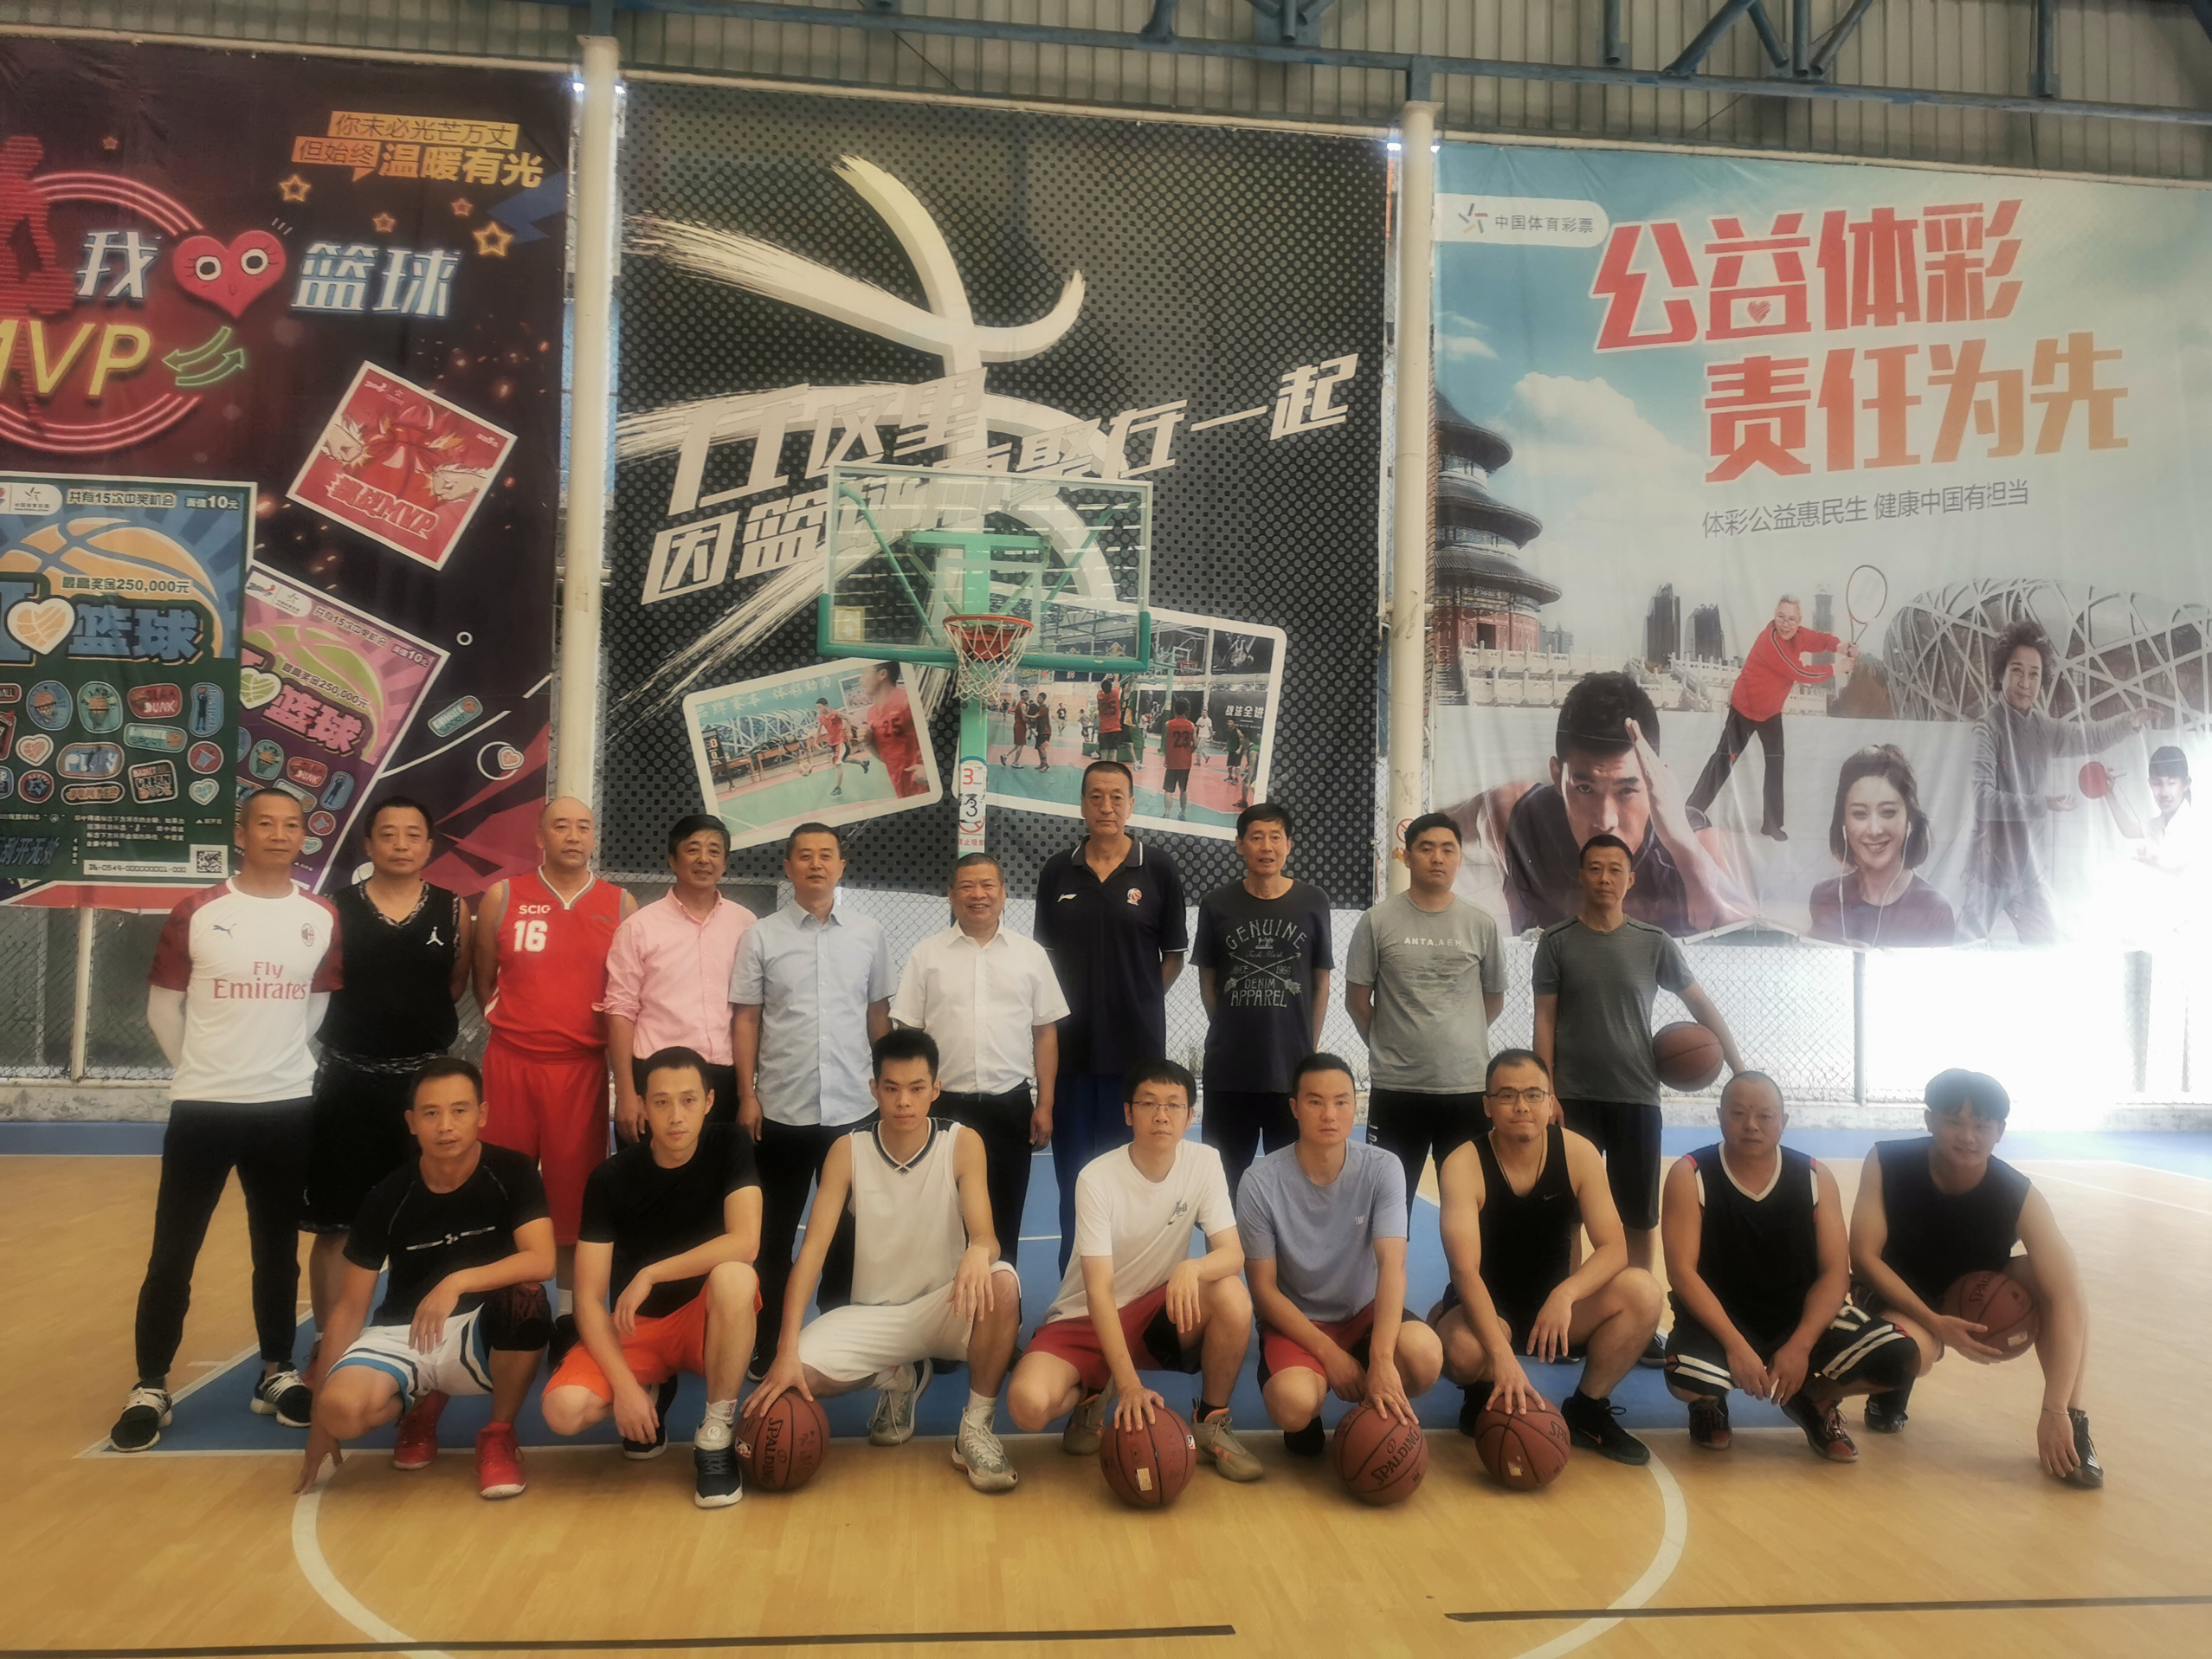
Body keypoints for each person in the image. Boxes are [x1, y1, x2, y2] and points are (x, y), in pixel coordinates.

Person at [113, 788, 344, 1453]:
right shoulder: (198, 911)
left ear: (304, 836)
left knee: (276, 1252)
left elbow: (315, 1005)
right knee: (173, 1251)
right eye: (265, 823)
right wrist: (202, 1071)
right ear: (241, 833)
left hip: (285, 1108)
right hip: (203, 1108)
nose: (279, 834)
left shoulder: (321, 915)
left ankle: (276, 1371)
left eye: (291, 824)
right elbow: (163, 1007)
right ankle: (150, 1384)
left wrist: (278, 1063)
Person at [748, 1030, 1022, 1493]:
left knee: (1003, 1283)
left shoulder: (962, 1143)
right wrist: (785, 1348)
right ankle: (897, 1378)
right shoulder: (847, 1151)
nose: (904, 1102)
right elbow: (811, 1254)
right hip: (874, 1315)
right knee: (796, 1378)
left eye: (917, 1088)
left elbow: (986, 1236)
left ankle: (975, 1428)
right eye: (892, 1088)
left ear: (936, 1089)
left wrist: (979, 1250)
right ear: (874, 1088)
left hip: (946, 1306)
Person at [293, 1057, 554, 1501]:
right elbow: (351, 1307)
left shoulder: (513, 1171)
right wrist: (320, 1424)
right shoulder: (386, 1196)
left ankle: (498, 1434)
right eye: (431, 1113)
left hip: (478, 1333)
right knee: (342, 1413)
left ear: (482, 1115)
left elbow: (542, 1259)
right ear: (412, 1122)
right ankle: (418, 1403)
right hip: (406, 1331)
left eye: (459, 1110)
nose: (445, 1125)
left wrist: (456, 1282)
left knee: (527, 1300)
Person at [1535, 832, 1743, 1354]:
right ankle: (1569, 1318)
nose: (1604, 878)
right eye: (1594, 868)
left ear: (1630, 879)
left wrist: (1740, 1071)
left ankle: (1639, 1320)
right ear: (1581, 876)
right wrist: (1545, 1090)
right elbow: (1545, 1020)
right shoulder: (1556, 941)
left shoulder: (1654, 943)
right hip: (1573, 1098)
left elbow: (1701, 1007)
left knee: (1638, 1215)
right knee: (1569, 1214)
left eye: (1615, 869)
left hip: (1636, 1098)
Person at [1006, 1061, 1263, 1482]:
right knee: (1027, 1407)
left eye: (1173, 1105)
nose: (1161, 1115)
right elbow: (1099, 1291)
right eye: (1148, 1104)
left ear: (1189, 1116)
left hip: (1156, 1312)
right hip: (1087, 1317)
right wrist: (1129, 1386)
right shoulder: (1097, 1178)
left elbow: (1233, 1254)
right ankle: (1094, 1390)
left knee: (1231, 1294)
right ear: (1128, 1113)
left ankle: (1212, 1421)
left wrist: (1193, 1267)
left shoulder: (1204, 1162)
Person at [1848, 1068, 2102, 1488]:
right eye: (1954, 1122)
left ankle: (2072, 1423)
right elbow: (1863, 1257)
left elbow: (2067, 1299)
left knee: (2058, 1279)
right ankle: (1887, 1388)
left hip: (1972, 1292)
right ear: (1930, 1120)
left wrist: (2055, 1407)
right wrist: (1935, 1323)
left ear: (1999, 1131)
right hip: (1898, 1293)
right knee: (1909, 1351)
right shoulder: (1887, 1162)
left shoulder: (2017, 1194)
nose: (1967, 1136)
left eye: (1981, 1126)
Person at [540, 1047, 762, 1507]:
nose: (676, 1116)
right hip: (636, 1327)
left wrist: (651, 1273)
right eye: (661, 1102)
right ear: (641, 1105)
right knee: (562, 1411)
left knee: (736, 1278)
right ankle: (648, 1387)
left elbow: (746, 1242)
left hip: (705, 1320)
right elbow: (587, 1298)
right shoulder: (610, 1178)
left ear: (709, 1101)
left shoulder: (729, 1144)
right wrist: (623, 1388)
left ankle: (716, 1433)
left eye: (688, 1100)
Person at [1660, 1072, 1919, 1461]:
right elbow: (1682, 1272)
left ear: (1784, 1120)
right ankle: (1708, 1404)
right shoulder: (1690, 1174)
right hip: (1720, 1319)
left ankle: (1815, 1399)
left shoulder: (1815, 1177)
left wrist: (1800, 1346)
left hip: (1799, 1316)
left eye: (1764, 1116)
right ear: (1719, 1116)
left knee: (1901, 1357)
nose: (1751, 1125)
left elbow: (1835, 1273)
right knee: (1688, 1376)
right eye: (1738, 1113)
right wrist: (1736, 1345)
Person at [1431, 1050, 1662, 1462]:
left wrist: (1566, 1294)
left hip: (1556, 1311)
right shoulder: (1463, 1164)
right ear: (1487, 1106)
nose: (1521, 1105)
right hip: (1487, 1308)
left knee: (1643, 1291)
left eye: (1534, 1094)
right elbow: (1464, 1271)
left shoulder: (1579, 1153)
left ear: (1551, 1101)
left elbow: (1614, 1248)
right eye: (1506, 1095)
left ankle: (1588, 1408)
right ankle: (1482, 1391)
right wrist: (1502, 1358)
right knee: (1464, 1352)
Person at [302, 797, 469, 1351]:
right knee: (338, 1225)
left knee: (429, 1216)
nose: (401, 844)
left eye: (413, 834)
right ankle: (329, 1344)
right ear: (369, 844)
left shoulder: (452, 910)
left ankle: (416, 1344)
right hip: (347, 1083)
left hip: (424, 1086)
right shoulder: (333, 909)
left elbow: (454, 984)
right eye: (389, 834)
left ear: (429, 846)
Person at [731, 821, 893, 1373]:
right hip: (781, 1110)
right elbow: (747, 1020)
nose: (816, 864)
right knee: (773, 1233)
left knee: (850, 1231)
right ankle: (769, 1337)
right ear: (788, 866)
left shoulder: (869, 934)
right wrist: (747, 1095)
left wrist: (885, 1090)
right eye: (805, 855)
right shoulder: (761, 936)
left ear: (842, 866)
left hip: (853, 1110)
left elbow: (878, 1015)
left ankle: (840, 1336)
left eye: (827, 855)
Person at [471, 796, 633, 1334]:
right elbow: (483, 979)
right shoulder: (504, 895)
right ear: (540, 837)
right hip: (511, 1063)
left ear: (593, 837)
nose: (573, 835)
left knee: (574, 1198)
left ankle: (567, 1316)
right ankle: (498, 1311)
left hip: (580, 1070)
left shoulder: (621, 903)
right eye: (561, 826)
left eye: (583, 827)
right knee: (500, 1188)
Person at [1240, 1053, 1443, 1454]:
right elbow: (1263, 1291)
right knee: (1293, 1405)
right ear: (1295, 1108)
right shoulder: (1259, 1182)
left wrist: (1381, 1360)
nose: (1329, 1114)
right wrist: (1329, 1354)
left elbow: (1392, 1266)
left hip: (1363, 1312)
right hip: (1298, 1320)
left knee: (1424, 1357)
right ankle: (1311, 1409)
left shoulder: (1383, 1168)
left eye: (1341, 1101)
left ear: (1355, 1106)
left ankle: (1371, 1412)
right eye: (1315, 1101)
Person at [1448, 669, 1751, 937]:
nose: (1605, 820)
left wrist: (1684, 846)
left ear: (1656, 782)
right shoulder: (1518, 819)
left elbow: (1741, 942)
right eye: (1585, 788)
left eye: (1626, 791)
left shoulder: (1696, 846)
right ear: (1557, 776)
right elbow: (1438, 824)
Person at [1033, 761, 1188, 1275]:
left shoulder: (1158, 868)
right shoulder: (1057, 871)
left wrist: (1140, 997)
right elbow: (1044, 959)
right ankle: (1073, 1300)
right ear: (1082, 804)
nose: (1106, 806)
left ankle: (1134, 1297)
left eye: (1117, 797)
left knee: (1134, 1184)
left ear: (1131, 804)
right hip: (1072, 1059)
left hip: (1136, 1062)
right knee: (1076, 1183)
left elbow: (1173, 954)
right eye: (1096, 796)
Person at [890, 853, 1067, 1267]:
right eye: (967, 886)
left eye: (988, 885)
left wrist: (1045, 1104)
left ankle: (1002, 1302)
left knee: (1005, 1216)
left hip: (1010, 1107)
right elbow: (908, 1034)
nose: (978, 894)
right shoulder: (927, 955)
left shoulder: (1030, 955)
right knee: (941, 1221)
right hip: (944, 1108)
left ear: (1003, 893)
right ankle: (944, 1305)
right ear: (951, 895)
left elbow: (1045, 1033)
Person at [1963, 618, 2152, 944]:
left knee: (2048, 947)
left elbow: (2089, 736)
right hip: (1988, 871)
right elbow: (1983, 800)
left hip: (2030, 876)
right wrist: (2043, 804)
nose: (2025, 683)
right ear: (2001, 673)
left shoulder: (2044, 728)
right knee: (1964, 948)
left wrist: (2129, 722)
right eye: (2017, 671)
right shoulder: (1987, 727)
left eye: (2034, 674)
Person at [1346, 813, 1503, 1206]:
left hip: (1466, 1088)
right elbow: (1357, 1001)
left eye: (1448, 849)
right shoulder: (1376, 921)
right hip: (1397, 1089)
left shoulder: (1481, 924)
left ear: (1459, 858)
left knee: (1469, 1206)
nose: (1437, 857)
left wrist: (1457, 1037)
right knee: (1387, 1205)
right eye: (1426, 848)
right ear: (1407, 856)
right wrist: (1389, 1044)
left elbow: (1493, 1000)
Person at [1195, 803, 1332, 1199]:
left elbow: (1320, 983)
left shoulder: (1313, 901)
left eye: (1275, 837)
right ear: (1240, 844)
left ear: (1289, 845)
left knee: (1293, 1190)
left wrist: (1305, 1047)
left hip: (1290, 1074)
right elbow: (1208, 982)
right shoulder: (1216, 904)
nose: (1266, 847)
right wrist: (1230, 1030)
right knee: (1223, 1189)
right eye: (1256, 837)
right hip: (1229, 1073)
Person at [603, 815, 758, 1144]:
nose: (704, 859)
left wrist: (747, 1094)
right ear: (673, 859)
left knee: (719, 1173)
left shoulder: (746, 925)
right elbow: (620, 1010)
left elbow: (749, 1012)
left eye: (714, 851)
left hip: (722, 1078)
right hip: (657, 1076)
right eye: (693, 849)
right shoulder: (639, 927)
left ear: (725, 863)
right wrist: (627, 1092)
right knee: (653, 1172)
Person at [1686, 595, 1855, 842]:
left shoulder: (1799, 635)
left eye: (1792, 619)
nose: (1786, 624)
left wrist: (1841, 647)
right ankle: (1691, 811)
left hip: (1770, 712)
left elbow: (1820, 640)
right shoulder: (1770, 642)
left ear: (1799, 621)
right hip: (1744, 709)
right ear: (1774, 616)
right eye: (1781, 617)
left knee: (1776, 764)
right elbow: (1800, 672)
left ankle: (1772, 823)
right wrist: (1838, 668)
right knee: (1724, 761)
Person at [1808, 746, 1956, 947]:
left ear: (1910, 821)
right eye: (1860, 814)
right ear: (1844, 824)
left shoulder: (1934, 911)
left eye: (1888, 812)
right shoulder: (1826, 896)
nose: (1875, 830)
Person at [857, 662, 929, 798]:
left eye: (864, 672)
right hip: (901, 789)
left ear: (882, 674)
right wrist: (868, 742)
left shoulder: (908, 701)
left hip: (925, 787)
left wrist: (931, 770)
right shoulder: (871, 714)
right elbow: (884, 757)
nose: (860, 679)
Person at [815, 695, 866, 798]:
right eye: (818, 708)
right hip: (832, 742)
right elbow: (819, 731)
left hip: (840, 741)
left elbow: (847, 718)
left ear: (826, 705)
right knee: (845, 759)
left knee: (837, 763)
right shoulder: (821, 718)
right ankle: (864, 764)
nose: (819, 710)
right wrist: (816, 742)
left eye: (820, 707)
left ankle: (838, 788)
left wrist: (849, 731)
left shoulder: (836, 714)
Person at [1161, 700, 1197, 817]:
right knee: (1183, 789)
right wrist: (1189, 752)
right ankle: (1182, 812)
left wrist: (1167, 757)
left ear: (1174, 710)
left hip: (1172, 761)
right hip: (1185, 762)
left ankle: (1167, 812)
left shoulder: (1168, 724)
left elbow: (1165, 743)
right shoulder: (1191, 725)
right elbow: (1195, 743)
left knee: (1168, 790)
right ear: (1186, 710)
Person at [1095, 674, 1131, 763]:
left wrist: (1107, 675)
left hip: (1103, 730)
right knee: (1113, 754)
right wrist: (1116, 673)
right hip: (1115, 729)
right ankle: (1111, 769)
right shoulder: (1114, 693)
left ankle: (1104, 769)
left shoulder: (1100, 696)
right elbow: (1116, 682)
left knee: (1104, 755)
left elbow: (1102, 684)